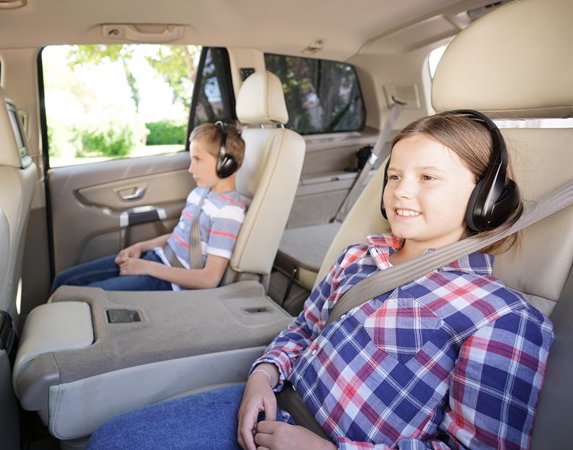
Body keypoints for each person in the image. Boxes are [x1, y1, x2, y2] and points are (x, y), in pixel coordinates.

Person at [86, 111, 554, 450]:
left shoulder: (501, 318)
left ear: (486, 199)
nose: (401, 191)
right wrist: (263, 377)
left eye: (428, 177)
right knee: (111, 440)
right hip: (275, 404)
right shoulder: (360, 256)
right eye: (393, 176)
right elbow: (303, 329)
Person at [50, 121, 246, 293]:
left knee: (80, 298)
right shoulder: (201, 192)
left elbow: (209, 279)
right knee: (63, 281)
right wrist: (140, 247)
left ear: (226, 163)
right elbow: (180, 236)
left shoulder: (228, 212)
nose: (190, 169)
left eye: (198, 160)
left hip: (170, 282)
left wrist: (145, 267)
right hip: (156, 258)